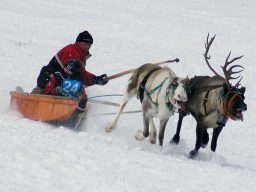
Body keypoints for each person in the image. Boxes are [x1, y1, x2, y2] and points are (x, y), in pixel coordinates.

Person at [32, 30, 109, 128]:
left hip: (64, 82)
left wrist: (84, 96)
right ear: (78, 42)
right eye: (85, 43)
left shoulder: (79, 54)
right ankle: (37, 99)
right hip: (49, 79)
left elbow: (79, 76)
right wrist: (95, 79)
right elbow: (81, 73)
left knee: (76, 92)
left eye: (90, 44)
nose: (88, 46)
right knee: (44, 94)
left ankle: (75, 113)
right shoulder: (71, 52)